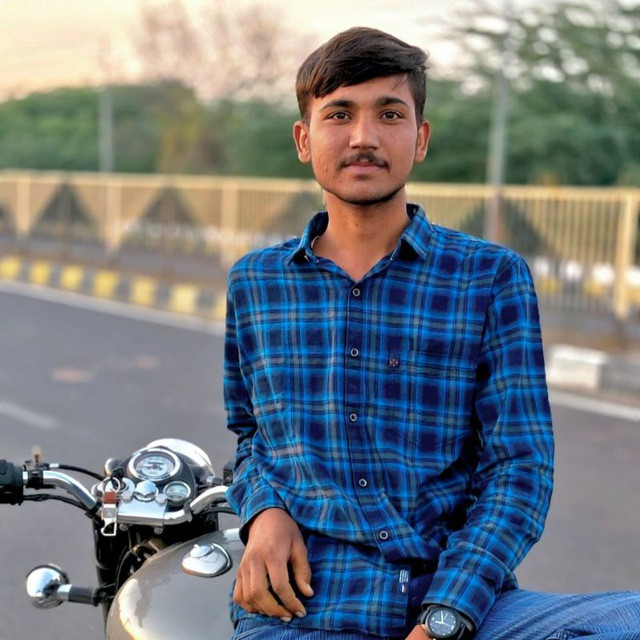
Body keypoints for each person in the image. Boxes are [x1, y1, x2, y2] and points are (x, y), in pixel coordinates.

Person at [224, 26, 640, 640]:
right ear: (304, 139)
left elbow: (519, 467)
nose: (363, 137)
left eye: (389, 114)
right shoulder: (257, 282)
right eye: (339, 114)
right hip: (307, 603)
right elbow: (251, 434)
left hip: (459, 596)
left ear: (419, 139)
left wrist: (445, 617)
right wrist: (264, 511)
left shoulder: (489, 277)